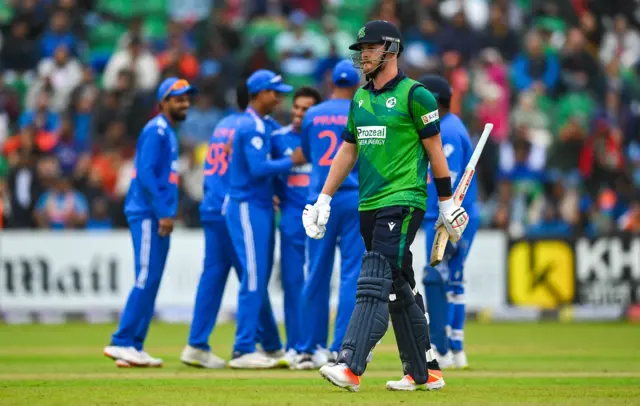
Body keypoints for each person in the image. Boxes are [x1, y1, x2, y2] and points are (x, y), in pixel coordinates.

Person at [303, 20, 469, 392]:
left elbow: (435, 154)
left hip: (404, 200)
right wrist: (323, 199)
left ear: (391, 50)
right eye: (361, 49)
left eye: (371, 48)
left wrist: (445, 205)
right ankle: (424, 370)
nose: (364, 55)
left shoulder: (416, 95)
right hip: (369, 203)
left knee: (374, 274)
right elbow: (348, 149)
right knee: (398, 284)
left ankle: (350, 363)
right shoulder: (360, 99)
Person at [103, 77, 197, 367]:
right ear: (163, 102)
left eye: (186, 98)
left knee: (152, 278)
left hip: (157, 213)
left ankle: (134, 346)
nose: (185, 103)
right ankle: (121, 341)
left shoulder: (167, 131)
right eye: (178, 98)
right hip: (147, 213)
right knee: (146, 276)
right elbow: (144, 174)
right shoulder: (156, 129)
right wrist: (163, 212)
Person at [226, 70, 306, 369]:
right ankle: (243, 348)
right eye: (275, 92)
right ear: (259, 93)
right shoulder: (251, 126)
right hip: (247, 206)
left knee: (257, 275)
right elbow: (258, 168)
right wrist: (292, 161)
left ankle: (269, 346)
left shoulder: (262, 125)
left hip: (260, 207)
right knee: (254, 275)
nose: (279, 97)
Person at [294, 60, 365, 370]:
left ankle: (308, 348)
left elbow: (308, 154)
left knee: (316, 273)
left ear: (331, 81)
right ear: (357, 84)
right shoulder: (361, 111)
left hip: (318, 200)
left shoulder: (312, 114)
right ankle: (341, 349)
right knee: (351, 275)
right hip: (352, 197)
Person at [180, 82, 249, 369]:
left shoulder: (222, 125)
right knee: (252, 276)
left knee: (214, 274)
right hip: (232, 207)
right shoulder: (251, 126)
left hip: (211, 204)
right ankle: (260, 347)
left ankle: (196, 343)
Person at [419, 74, 479, 370]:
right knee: (453, 280)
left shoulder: (449, 131)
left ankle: (441, 347)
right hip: (457, 213)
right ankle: (456, 348)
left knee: (438, 277)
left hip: (448, 215)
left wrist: (445, 216)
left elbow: (451, 179)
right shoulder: (448, 126)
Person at [270, 86, 323, 366]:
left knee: (317, 283)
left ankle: (317, 346)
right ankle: (294, 346)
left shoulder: (327, 138)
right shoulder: (278, 138)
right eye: (297, 107)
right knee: (292, 284)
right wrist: (272, 191)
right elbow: (261, 169)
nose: (300, 113)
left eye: (306, 109)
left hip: (319, 218)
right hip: (291, 217)